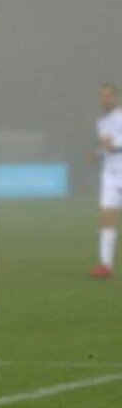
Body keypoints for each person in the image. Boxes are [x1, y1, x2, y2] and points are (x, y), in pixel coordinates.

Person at [89, 83, 122, 278]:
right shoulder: (101, 122)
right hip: (109, 175)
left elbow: (115, 145)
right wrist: (97, 153)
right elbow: (105, 146)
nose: (105, 100)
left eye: (109, 96)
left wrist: (112, 146)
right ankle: (105, 265)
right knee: (106, 217)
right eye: (102, 96)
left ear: (116, 98)